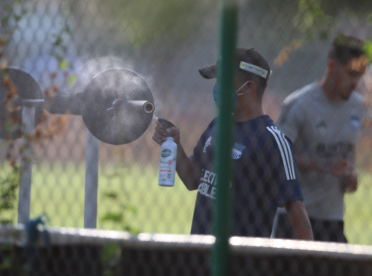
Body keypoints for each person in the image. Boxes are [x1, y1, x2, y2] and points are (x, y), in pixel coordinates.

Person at [152, 48, 313, 240]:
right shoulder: (217, 125)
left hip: (243, 261)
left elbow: (295, 207)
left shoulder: (273, 141)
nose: (218, 87)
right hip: (198, 255)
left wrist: (307, 260)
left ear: (248, 86)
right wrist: (175, 146)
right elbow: (192, 180)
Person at [275, 34, 369, 242]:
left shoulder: (359, 107)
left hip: (332, 219)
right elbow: (277, 156)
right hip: (295, 218)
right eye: (351, 73)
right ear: (332, 65)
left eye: (360, 75)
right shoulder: (299, 104)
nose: (355, 82)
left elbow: (347, 149)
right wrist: (322, 164)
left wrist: (349, 174)